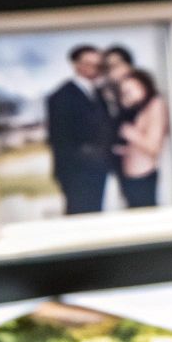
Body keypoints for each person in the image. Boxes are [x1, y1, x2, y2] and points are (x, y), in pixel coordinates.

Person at [45, 44, 116, 215]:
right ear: (76, 64)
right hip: (76, 172)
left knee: (95, 212)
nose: (95, 69)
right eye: (89, 64)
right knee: (80, 216)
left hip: (98, 167)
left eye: (98, 65)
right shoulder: (61, 96)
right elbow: (59, 138)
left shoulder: (99, 93)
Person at [112, 69, 169, 208]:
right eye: (124, 93)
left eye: (131, 90)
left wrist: (131, 134)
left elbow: (154, 148)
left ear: (143, 85)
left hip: (143, 176)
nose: (128, 96)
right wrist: (126, 149)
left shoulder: (156, 104)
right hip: (131, 177)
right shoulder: (140, 108)